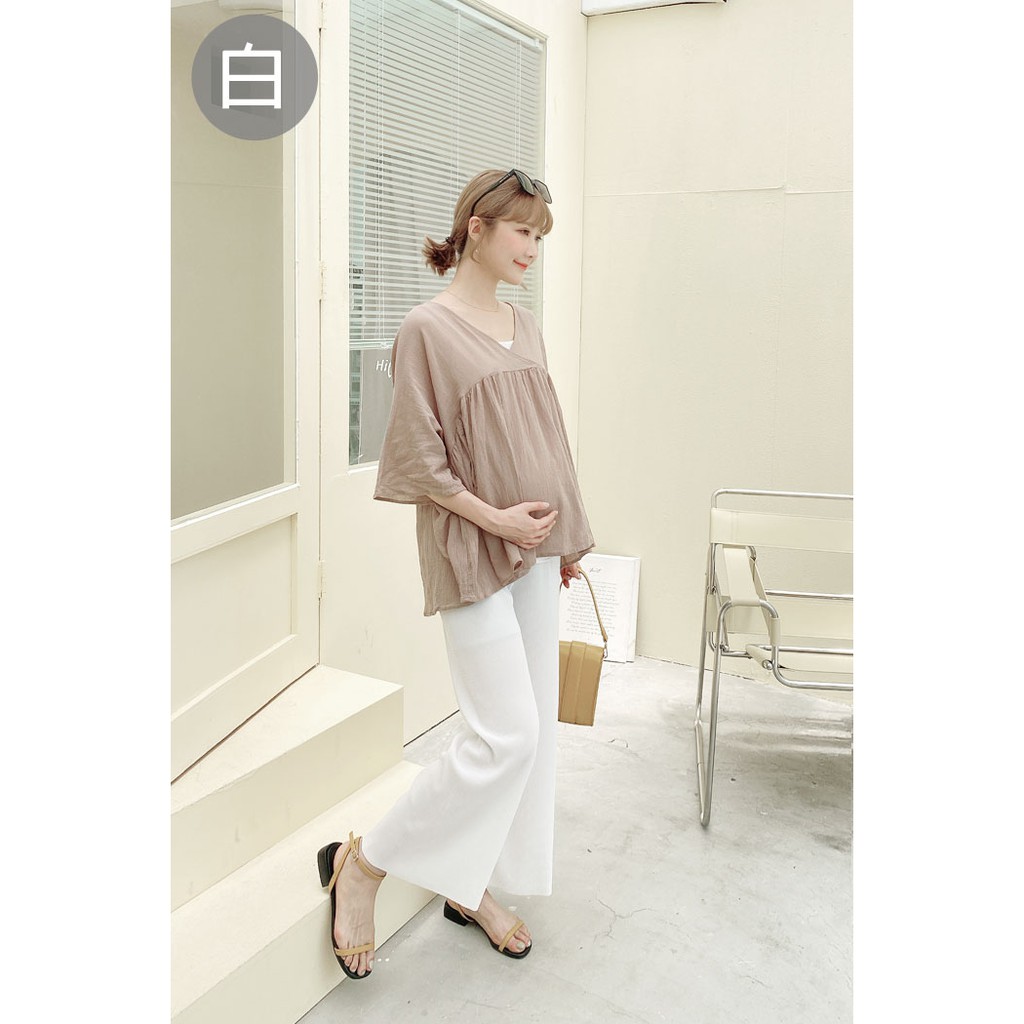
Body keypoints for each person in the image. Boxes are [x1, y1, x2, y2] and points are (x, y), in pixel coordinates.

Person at [316, 168, 594, 980]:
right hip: (471, 548)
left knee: (530, 736)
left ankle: (473, 887)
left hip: (536, 550)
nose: (532, 248)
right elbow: (418, 458)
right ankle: (365, 865)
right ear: (477, 227)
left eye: (540, 236)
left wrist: (566, 538)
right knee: (506, 733)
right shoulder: (426, 328)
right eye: (522, 232)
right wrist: (498, 521)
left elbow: (547, 435)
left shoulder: (525, 324)